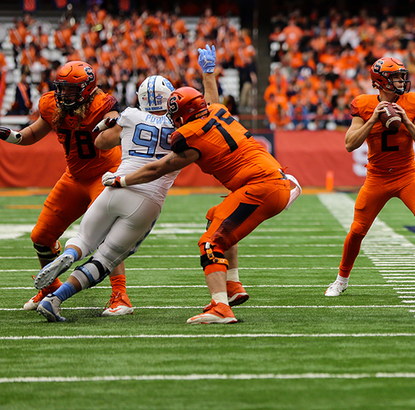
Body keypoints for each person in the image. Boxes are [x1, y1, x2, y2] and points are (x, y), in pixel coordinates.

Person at [101, 46, 301, 324]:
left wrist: (122, 179)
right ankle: (232, 286)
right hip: (273, 180)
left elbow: (158, 168)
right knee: (215, 217)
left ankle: (220, 308)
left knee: (210, 242)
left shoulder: (189, 134)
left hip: (261, 187)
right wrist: (208, 73)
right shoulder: (217, 110)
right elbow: (211, 101)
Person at [34, 76, 182, 322]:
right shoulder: (183, 129)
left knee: (83, 239)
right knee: (104, 259)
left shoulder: (131, 115)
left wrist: (108, 124)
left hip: (112, 188)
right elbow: (161, 168)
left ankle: (70, 254)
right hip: (145, 199)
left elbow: (101, 141)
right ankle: (56, 299)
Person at [0, 61, 133, 316]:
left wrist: (111, 124)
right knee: (41, 236)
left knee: (107, 235)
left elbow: (113, 125)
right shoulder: (52, 104)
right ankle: (50, 288)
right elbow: (29, 135)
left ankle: (120, 295)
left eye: (71, 89)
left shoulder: (101, 103)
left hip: (104, 175)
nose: (63, 94)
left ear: (87, 89)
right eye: (61, 88)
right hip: (74, 177)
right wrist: (8, 134)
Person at [324, 57, 415, 297]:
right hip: (377, 177)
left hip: (407, 174)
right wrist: (372, 119)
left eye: (401, 76)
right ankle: (341, 280)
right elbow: (349, 144)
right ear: (380, 81)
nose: (401, 81)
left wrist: (407, 121)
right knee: (357, 230)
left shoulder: (413, 102)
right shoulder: (364, 104)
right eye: (396, 77)